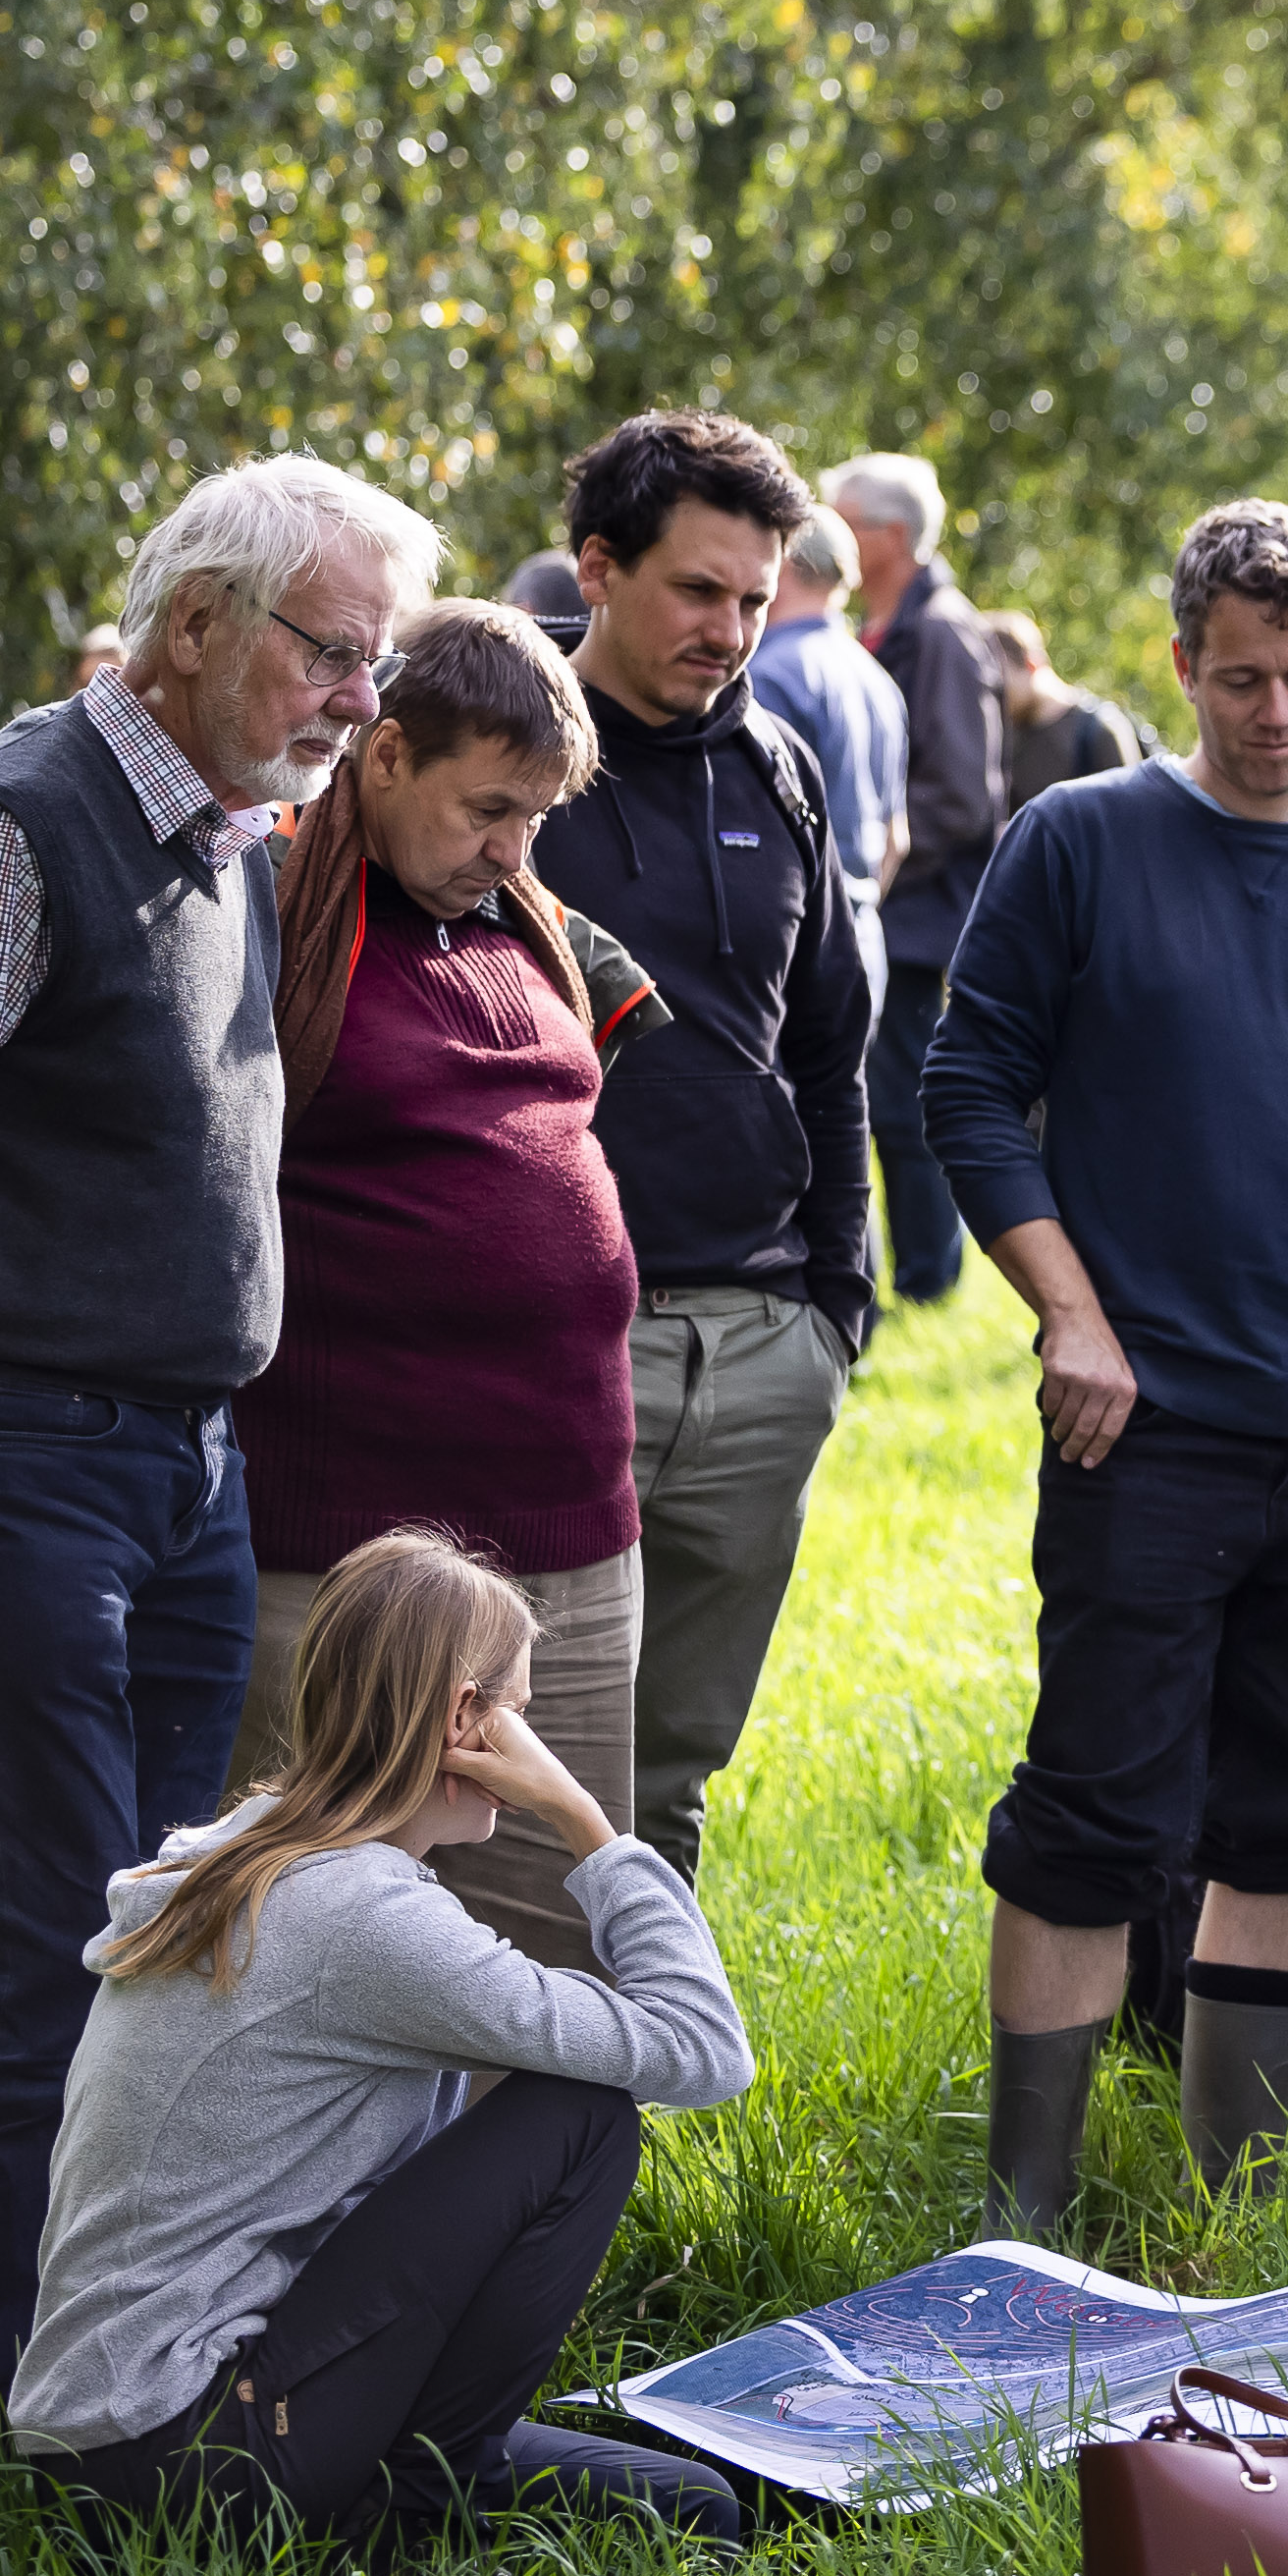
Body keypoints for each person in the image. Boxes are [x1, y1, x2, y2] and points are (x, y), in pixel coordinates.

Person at [0, 454, 443, 2419]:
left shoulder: (235, 832)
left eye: (369, 666)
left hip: (176, 1463)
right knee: (49, 1937)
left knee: (165, 1927)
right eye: (330, 652)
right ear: (200, 621)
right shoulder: (14, 820)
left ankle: (120, 2346)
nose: (353, 700)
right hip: (11, 1450)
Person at [932, 499, 1288, 2226]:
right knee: (1093, 1801)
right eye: (1239, 679)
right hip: (1145, 1422)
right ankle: (1027, 2202)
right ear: (1180, 665)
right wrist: (1072, 1315)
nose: (1274, 714)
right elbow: (966, 1085)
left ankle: (1233, 2200)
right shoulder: (1077, 841)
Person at [11, 1531, 754, 2554]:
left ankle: (418, 2481)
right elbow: (705, 2046)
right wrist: (584, 1819)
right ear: (466, 1718)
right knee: (581, 2116)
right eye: (522, 1714)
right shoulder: (362, 1922)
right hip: (184, 2454)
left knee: (693, 2507)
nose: (532, 1744)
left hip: (103, 2446)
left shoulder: (254, 1851)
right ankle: (405, 2529)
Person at [230, 606, 650, 1976]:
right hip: (341, 1547)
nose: (513, 847)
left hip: (570, 1527)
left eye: (536, 815)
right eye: (487, 809)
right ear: (386, 752)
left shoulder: (523, 912)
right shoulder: (267, 907)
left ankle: (514, 2199)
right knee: (315, 1937)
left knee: (551, 1938)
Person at [533, 411, 876, 1889]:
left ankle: (621, 2096)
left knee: (668, 1780)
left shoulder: (784, 771)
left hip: (759, 1340)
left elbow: (834, 1048)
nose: (731, 631)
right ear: (598, 569)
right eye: (697, 591)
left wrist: (837, 1302)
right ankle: (469, 2101)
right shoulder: (493, 747)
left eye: (754, 597)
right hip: (544, 1336)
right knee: (497, 1755)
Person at [832, 454, 1006, 1309]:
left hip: (919, 918)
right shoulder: (881, 624)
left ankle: (931, 1280)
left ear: (892, 537)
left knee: (904, 1102)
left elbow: (962, 794)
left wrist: (874, 857)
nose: (821, 541)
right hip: (882, 913)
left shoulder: (939, 631)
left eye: (843, 524)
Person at [746, 505, 908, 1004]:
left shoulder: (770, 676)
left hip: (794, 948)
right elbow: (896, 839)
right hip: (864, 941)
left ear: (784, 563)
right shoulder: (879, 681)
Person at [973, 605, 1154, 806]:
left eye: (999, 679)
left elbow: (1132, 819)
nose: (992, 692)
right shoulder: (1003, 736)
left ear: (1031, 664)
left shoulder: (1100, 731)